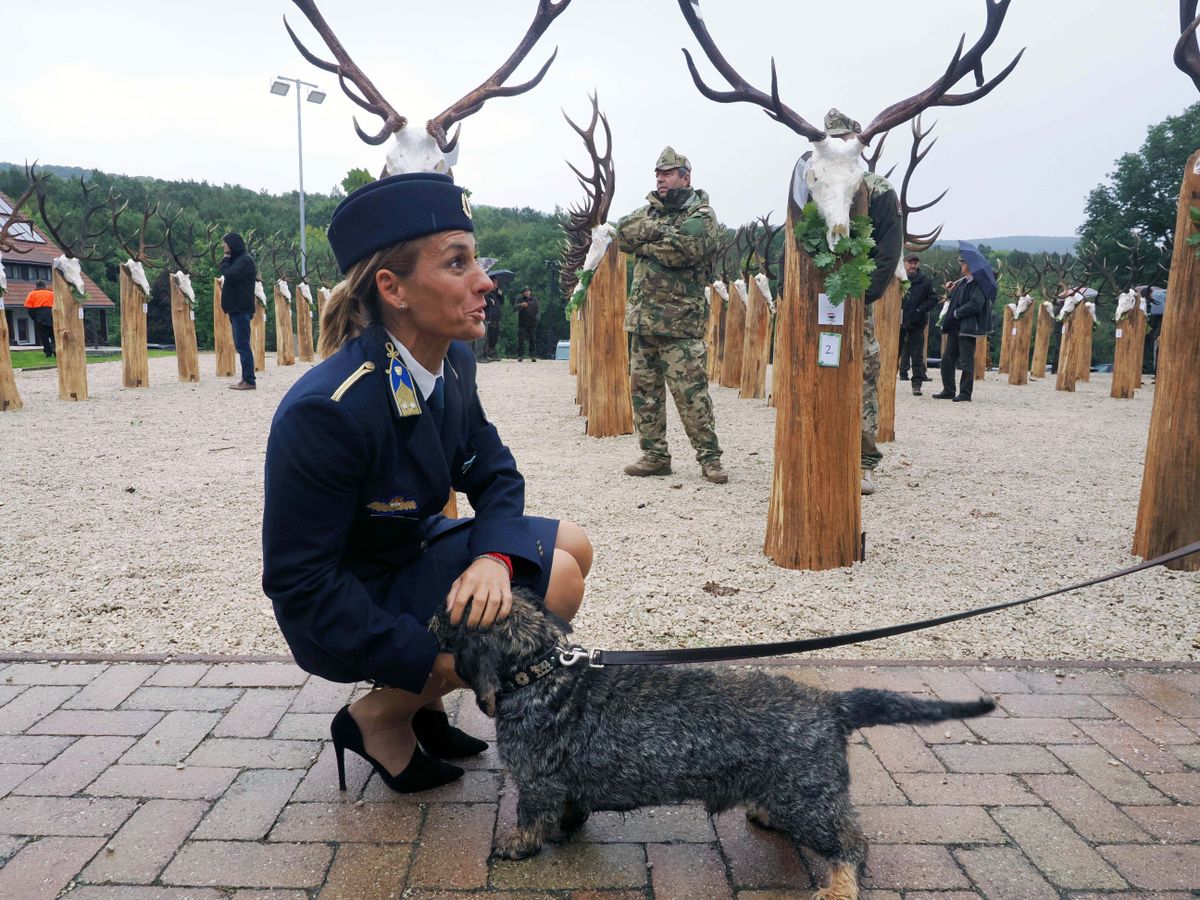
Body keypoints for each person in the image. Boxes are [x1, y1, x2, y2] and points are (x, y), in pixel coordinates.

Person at [261, 171, 592, 794]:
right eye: (457, 263)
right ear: (394, 288)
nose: (486, 283)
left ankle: (420, 708)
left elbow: (493, 471)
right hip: (343, 606)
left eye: (477, 260)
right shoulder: (330, 410)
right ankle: (380, 718)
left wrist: (494, 557)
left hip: (403, 557)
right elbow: (301, 586)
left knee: (573, 544)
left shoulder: (453, 362)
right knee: (560, 576)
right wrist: (441, 663)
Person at [616, 146, 727, 484]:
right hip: (642, 321)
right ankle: (655, 455)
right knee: (644, 394)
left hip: (680, 324)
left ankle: (710, 458)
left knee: (692, 396)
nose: (661, 178)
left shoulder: (702, 215)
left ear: (685, 177)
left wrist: (645, 241)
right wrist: (656, 235)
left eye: (668, 173)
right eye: (658, 174)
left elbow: (685, 250)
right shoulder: (650, 210)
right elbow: (622, 234)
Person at [822, 111, 903, 496]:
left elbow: (888, 250)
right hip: (814, 303)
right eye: (830, 138)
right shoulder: (811, 181)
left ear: (856, 140)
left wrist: (862, 293)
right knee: (818, 371)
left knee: (862, 373)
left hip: (854, 300)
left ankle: (864, 461)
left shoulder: (878, 189)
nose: (837, 144)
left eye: (844, 138)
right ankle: (821, 452)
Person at [933, 257, 989, 402]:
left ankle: (965, 393)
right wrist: (951, 290)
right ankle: (949, 390)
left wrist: (958, 313)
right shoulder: (963, 282)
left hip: (967, 328)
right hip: (955, 328)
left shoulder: (979, 284)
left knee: (966, 361)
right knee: (947, 359)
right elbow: (957, 299)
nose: (961, 265)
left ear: (969, 265)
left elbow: (976, 304)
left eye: (963, 263)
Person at [218, 232, 257, 391]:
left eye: (225, 243)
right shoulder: (239, 260)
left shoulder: (245, 261)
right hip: (236, 309)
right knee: (241, 345)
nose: (223, 246)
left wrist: (225, 261)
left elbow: (231, 275)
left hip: (241, 309)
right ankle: (245, 379)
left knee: (243, 345)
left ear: (232, 244)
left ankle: (249, 380)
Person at [899, 253, 940, 396]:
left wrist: (919, 310)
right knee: (893, 353)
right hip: (898, 322)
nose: (913, 265)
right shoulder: (897, 279)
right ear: (904, 263)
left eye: (915, 263)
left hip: (917, 322)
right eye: (910, 262)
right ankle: (888, 380)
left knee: (916, 356)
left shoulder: (925, 281)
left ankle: (916, 384)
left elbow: (933, 299)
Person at [24, 279, 55, 358]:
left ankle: (48, 352)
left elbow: (29, 308)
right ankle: (56, 350)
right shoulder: (52, 293)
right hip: (52, 315)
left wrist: (34, 318)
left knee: (43, 336)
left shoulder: (32, 294)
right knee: (53, 335)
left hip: (39, 315)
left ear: (36, 286)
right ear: (44, 286)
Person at [514, 286, 539, 361]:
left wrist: (537, 318)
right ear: (522, 293)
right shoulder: (520, 299)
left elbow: (539, 310)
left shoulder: (534, 300)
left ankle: (533, 355)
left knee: (532, 340)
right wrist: (520, 305)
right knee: (521, 340)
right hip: (522, 323)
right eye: (525, 291)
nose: (527, 292)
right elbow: (514, 308)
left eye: (528, 291)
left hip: (532, 323)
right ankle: (520, 355)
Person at [482, 284, 504, 361]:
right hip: (489, 317)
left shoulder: (497, 293)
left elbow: (502, 302)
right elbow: (486, 303)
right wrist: (490, 301)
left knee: (494, 337)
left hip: (496, 318)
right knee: (488, 336)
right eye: (494, 283)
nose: (496, 285)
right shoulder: (488, 293)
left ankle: (492, 353)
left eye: (497, 284)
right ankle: (486, 354)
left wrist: (501, 295)